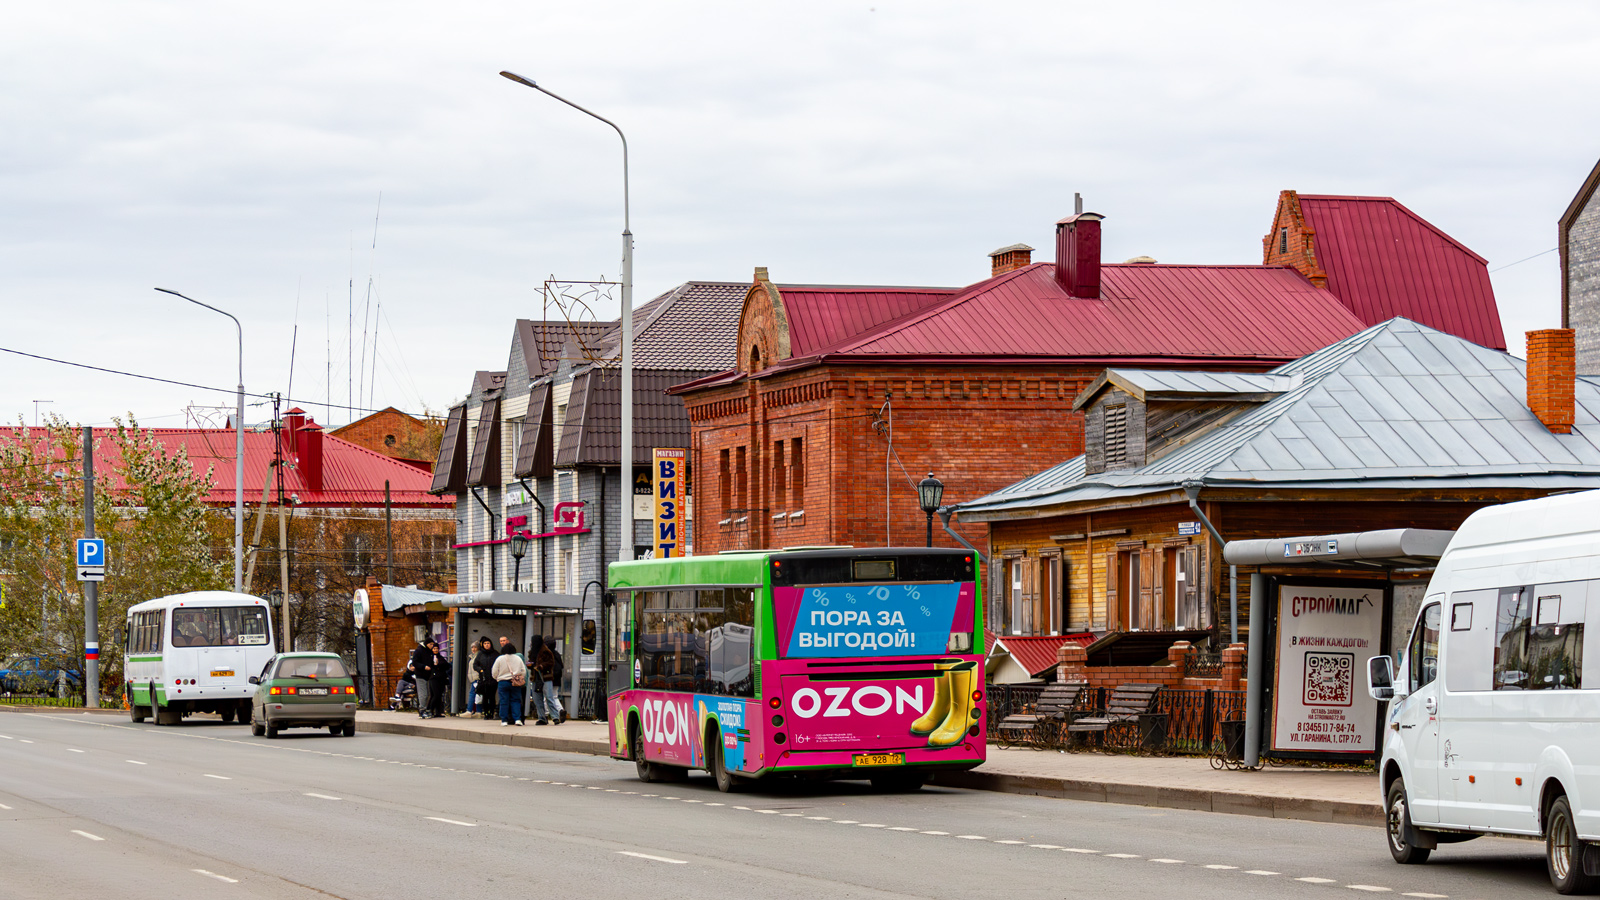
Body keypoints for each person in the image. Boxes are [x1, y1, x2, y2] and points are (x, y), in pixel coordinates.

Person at [530, 635, 565, 726]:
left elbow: (550, 663)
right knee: (537, 699)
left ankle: (555, 717)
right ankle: (542, 717)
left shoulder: (546, 651)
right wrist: (530, 665)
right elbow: (531, 661)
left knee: (549, 697)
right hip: (535, 677)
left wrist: (541, 666)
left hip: (546, 676)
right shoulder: (532, 652)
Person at [491, 640, 526, 726]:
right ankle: (517, 719)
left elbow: (494, 671)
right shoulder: (518, 658)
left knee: (504, 701)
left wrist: (497, 678)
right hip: (515, 682)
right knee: (516, 700)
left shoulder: (499, 659)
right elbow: (523, 671)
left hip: (503, 682)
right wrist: (519, 678)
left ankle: (504, 720)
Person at [471, 637, 498, 720]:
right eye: (485, 643)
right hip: (484, 678)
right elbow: (475, 665)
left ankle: (492, 712)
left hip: (493, 678)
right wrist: (480, 670)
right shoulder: (480, 654)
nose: (487, 645)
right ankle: (486, 713)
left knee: (492, 697)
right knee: (485, 697)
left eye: (488, 643)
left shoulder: (495, 653)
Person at [409, 639, 437, 719]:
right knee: (423, 694)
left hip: (428, 675)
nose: (432, 646)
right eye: (431, 644)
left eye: (433, 644)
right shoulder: (419, 650)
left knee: (428, 694)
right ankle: (422, 710)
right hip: (420, 675)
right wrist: (424, 667)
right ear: (427, 644)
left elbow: (431, 662)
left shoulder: (429, 651)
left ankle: (426, 709)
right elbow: (414, 662)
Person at [428, 645, 450, 718]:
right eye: (434, 648)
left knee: (439, 695)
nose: (435, 650)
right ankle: (430, 710)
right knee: (435, 694)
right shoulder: (430, 657)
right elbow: (431, 666)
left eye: (437, 648)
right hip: (433, 678)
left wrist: (438, 665)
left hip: (441, 678)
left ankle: (439, 711)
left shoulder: (440, 658)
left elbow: (447, 665)